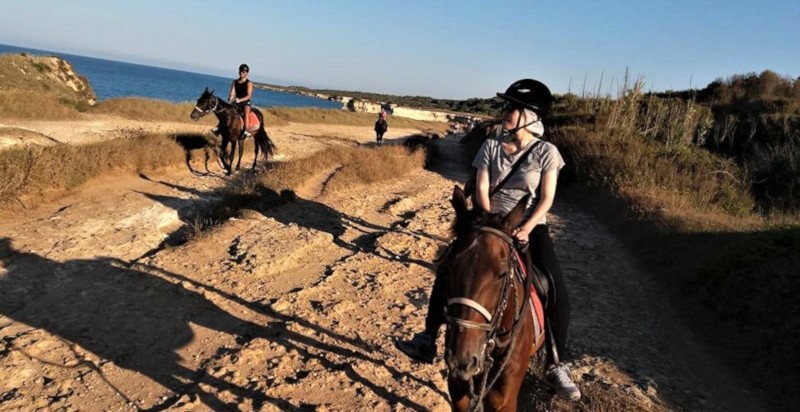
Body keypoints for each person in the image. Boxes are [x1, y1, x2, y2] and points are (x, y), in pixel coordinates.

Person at [395, 79, 581, 401]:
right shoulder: (491, 146)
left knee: (556, 287)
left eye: (512, 108)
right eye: (505, 106)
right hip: (489, 223)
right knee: (450, 268)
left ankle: (555, 363)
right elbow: (482, 188)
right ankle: (427, 336)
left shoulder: (547, 152)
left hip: (529, 227)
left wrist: (525, 227)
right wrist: (486, 222)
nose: (505, 112)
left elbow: (546, 199)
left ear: (531, 115)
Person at [213, 63, 254, 138]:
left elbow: (249, 96)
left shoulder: (249, 83)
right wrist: (230, 99)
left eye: (243, 72)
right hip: (237, 101)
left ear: (247, 73)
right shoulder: (235, 82)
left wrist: (240, 100)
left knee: (246, 113)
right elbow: (232, 92)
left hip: (245, 102)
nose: (241, 73)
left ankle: (246, 130)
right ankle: (218, 128)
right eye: (240, 71)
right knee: (226, 112)